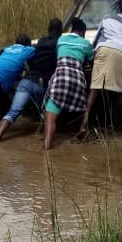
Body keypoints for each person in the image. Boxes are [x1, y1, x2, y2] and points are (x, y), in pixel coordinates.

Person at [0, 18, 63, 142]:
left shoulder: (40, 42)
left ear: (48, 29)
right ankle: (45, 142)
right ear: (61, 31)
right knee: (48, 113)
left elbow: (30, 58)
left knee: (13, 112)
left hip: (26, 82)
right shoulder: (59, 44)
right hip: (42, 85)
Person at [79, 0, 122, 138]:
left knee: (94, 89)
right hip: (120, 52)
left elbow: (97, 40)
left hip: (102, 49)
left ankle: (83, 124)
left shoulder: (106, 20)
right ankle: (116, 126)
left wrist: (93, 58)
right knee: (117, 92)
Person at [44, 18, 94, 150]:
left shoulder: (60, 40)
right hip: (77, 79)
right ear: (82, 32)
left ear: (71, 30)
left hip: (60, 77)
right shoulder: (85, 43)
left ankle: (47, 147)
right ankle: (81, 128)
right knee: (81, 107)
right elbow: (92, 61)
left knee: (50, 119)